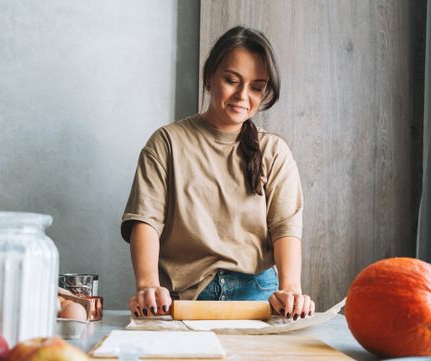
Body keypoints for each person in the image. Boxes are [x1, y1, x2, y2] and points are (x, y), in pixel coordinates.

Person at [121, 26, 315, 320]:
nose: (242, 96)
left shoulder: (274, 151)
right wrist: (148, 285)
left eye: (256, 87)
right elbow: (145, 221)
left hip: (258, 296)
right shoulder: (166, 143)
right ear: (210, 75)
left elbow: (285, 228)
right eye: (231, 80)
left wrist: (291, 290)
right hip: (184, 297)